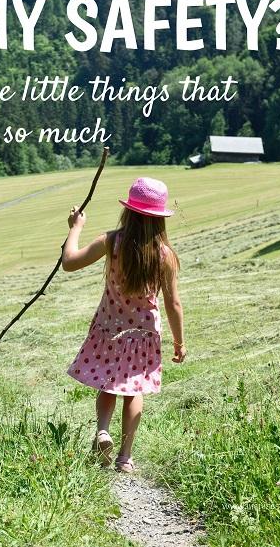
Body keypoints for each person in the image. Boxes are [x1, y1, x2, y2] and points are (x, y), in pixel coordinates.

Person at [62, 177, 186, 473]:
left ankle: (103, 430)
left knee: (107, 382)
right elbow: (173, 304)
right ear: (160, 220)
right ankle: (125, 457)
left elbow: (69, 262)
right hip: (143, 336)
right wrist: (179, 343)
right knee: (133, 391)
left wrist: (75, 228)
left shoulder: (111, 242)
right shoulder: (165, 256)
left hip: (109, 328)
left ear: (128, 211)